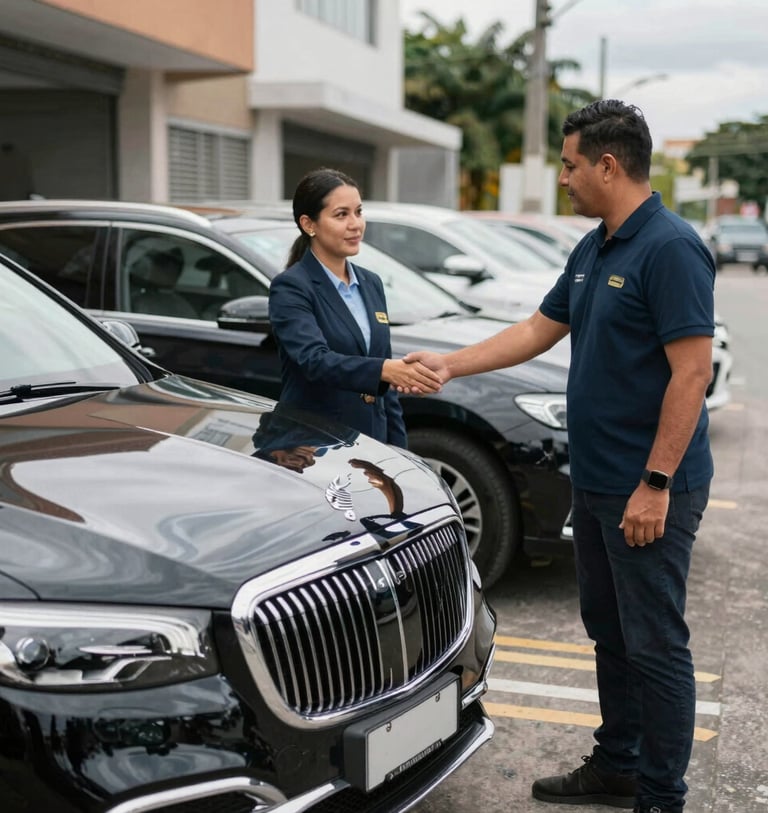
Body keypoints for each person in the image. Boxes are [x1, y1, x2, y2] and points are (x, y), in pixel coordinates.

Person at [403, 100, 715, 813]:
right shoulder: (596, 246)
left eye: (571, 164)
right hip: (599, 482)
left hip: (649, 487)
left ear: (608, 165)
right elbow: (538, 329)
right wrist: (450, 364)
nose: (565, 178)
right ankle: (619, 764)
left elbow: (691, 374)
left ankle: (661, 796)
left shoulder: (670, 247)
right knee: (609, 632)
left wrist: (657, 482)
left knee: (657, 643)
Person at [268, 167, 441, 448]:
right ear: (309, 224)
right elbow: (314, 361)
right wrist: (383, 370)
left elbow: (386, 383)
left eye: (358, 212)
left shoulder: (370, 283)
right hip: (315, 444)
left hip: (372, 440)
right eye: (341, 215)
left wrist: (398, 452)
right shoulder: (291, 287)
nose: (355, 224)